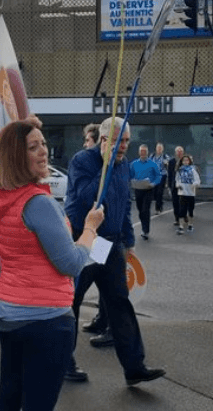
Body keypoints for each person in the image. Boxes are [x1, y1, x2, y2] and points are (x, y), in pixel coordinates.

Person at [0, 117, 105, 410]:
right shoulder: (38, 203)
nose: (43, 151)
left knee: (9, 393)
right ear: (16, 156)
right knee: (39, 402)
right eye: (32, 147)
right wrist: (90, 229)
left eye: (43, 144)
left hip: (8, 312)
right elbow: (71, 264)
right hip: (46, 319)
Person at [63, 116, 166, 386]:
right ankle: (63, 361)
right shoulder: (82, 161)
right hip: (86, 239)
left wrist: (128, 240)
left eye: (128, 142)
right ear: (104, 139)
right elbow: (85, 197)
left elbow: (124, 201)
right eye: (120, 142)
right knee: (70, 302)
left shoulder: (124, 166)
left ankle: (134, 366)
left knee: (120, 303)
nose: (124, 148)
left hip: (111, 244)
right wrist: (105, 167)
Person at [79, 123, 110, 340]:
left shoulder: (106, 167)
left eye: (88, 141)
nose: (85, 145)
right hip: (93, 235)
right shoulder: (84, 163)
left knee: (82, 284)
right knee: (104, 284)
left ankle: (108, 326)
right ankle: (103, 321)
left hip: (100, 237)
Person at [129, 144, 161, 241]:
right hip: (138, 189)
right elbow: (130, 175)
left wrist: (153, 183)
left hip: (148, 189)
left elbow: (158, 176)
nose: (143, 153)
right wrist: (132, 181)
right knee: (140, 210)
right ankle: (143, 225)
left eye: (145, 151)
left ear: (147, 152)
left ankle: (145, 230)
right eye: (141, 151)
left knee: (145, 209)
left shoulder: (152, 164)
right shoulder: (134, 164)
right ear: (139, 152)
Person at [174, 154, 200, 234]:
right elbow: (177, 180)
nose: (185, 162)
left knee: (190, 210)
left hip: (191, 193)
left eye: (187, 160)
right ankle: (181, 227)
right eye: (184, 160)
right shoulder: (179, 170)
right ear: (182, 162)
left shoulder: (193, 170)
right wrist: (178, 185)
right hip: (182, 192)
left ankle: (190, 225)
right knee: (182, 210)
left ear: (189, 161)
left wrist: (194, 184)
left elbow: (198, 180)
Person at [167, 146, 185, 228]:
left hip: (184, 186)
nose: (179, 153)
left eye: (181, 151)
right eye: (178, 151)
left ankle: (183, 216)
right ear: (175, 153)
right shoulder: (171, 162)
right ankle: (177, 218)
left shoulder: (186, 161)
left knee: (183, 202)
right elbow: (170, 174)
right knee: (175, 203)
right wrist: (169, 186)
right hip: (174, 185)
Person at [149, 143, 169, 214]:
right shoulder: (152, 156)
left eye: (160, 148)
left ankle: (158, 208)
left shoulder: (165, 156)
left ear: (162, 149)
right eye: (158, 148)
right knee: (154, 192)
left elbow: (168, 165)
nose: (159, 149)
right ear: (156, 148)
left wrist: (166, 163)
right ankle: (160, 203)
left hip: (162, 175)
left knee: (159, 192)